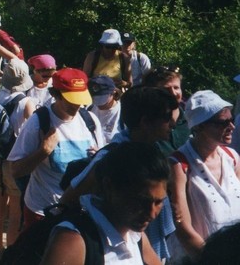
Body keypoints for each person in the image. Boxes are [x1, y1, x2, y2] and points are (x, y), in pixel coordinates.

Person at [61, 85, 180, 261]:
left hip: (141, 246)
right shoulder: (111, 159)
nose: (172, 124)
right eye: (166, 117)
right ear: (145, 122)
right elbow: (69, 198)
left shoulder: (151, 153)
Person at [8, 68, 104, 230]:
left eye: (80, 98)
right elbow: (15, 170)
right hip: (43, 211)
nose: (77, 104)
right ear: (55, 94)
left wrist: (98, 158)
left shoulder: (90, 121)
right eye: (71, 99)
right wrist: (43, 151)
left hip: (81, 211)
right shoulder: (38, 122)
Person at [40, 142, 167, 265]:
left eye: (159, 202)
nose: (152, 213)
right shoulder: (73, 242)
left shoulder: (135, 237)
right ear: (109, 187)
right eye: (141, 201)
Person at [169, 90, 240, 262]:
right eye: (222, 122)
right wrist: (210, 259)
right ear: (199, 126)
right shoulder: (179, 164)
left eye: (231, 120)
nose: (232, 127)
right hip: (198, 259)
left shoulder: (232, 158)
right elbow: (181, 225)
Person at [0, 58, 36, 262]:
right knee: (15, 215)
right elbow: (33, 133)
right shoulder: (26, 102)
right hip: (16, 163)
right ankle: (10, 258)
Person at [145, 65, 190, 155]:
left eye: (176, 88)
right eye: (166, 89)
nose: (173, 93)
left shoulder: (193, 120)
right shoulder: (146, 125)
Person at [88, 75, 122, 144]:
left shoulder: (122, 112)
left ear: (113, 92)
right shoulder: (89, 109)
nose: (99, 104)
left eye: (102, 98)